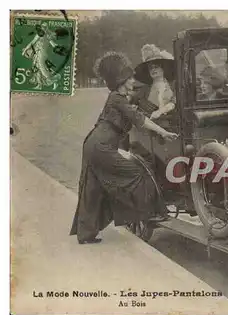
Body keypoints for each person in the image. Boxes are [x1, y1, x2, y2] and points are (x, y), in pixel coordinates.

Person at [69, 52, 177, 244]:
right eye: (130, 78)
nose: (133, 80)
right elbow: (141, 120)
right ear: (122, 81)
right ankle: (145, 213)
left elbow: (139, 111)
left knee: (93, 189)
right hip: (101, 147)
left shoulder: (118, 98)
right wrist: (164, 132)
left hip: (94, 144)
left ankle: (86, 234)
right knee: (139, 172)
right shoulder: (117, 98)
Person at [132, 44, 176, 122]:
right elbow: (131, 102)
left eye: (156, 67)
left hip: (172, 125)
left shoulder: (173, 86)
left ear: (163, 68)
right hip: (150, 128)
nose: (153, 70)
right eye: (150, 68)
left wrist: (160, 112)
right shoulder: (144, 90)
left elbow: (173, 102)